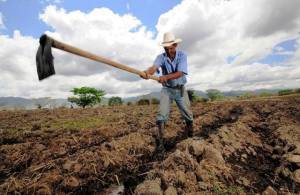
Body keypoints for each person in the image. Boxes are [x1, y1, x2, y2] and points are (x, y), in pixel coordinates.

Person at [141, 32, 193, 156]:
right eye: (166, 48)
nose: (169, 51)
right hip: (167, 90)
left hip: (180, 89)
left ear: (175, 45)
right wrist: (147, 73)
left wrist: (165, 77)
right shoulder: (161, 57)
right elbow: (154, 67)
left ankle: (191, 134)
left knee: (187, 113)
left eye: (171, 48)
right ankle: (161, 144)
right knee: (161, 115)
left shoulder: (182, 55)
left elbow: (180, 73)